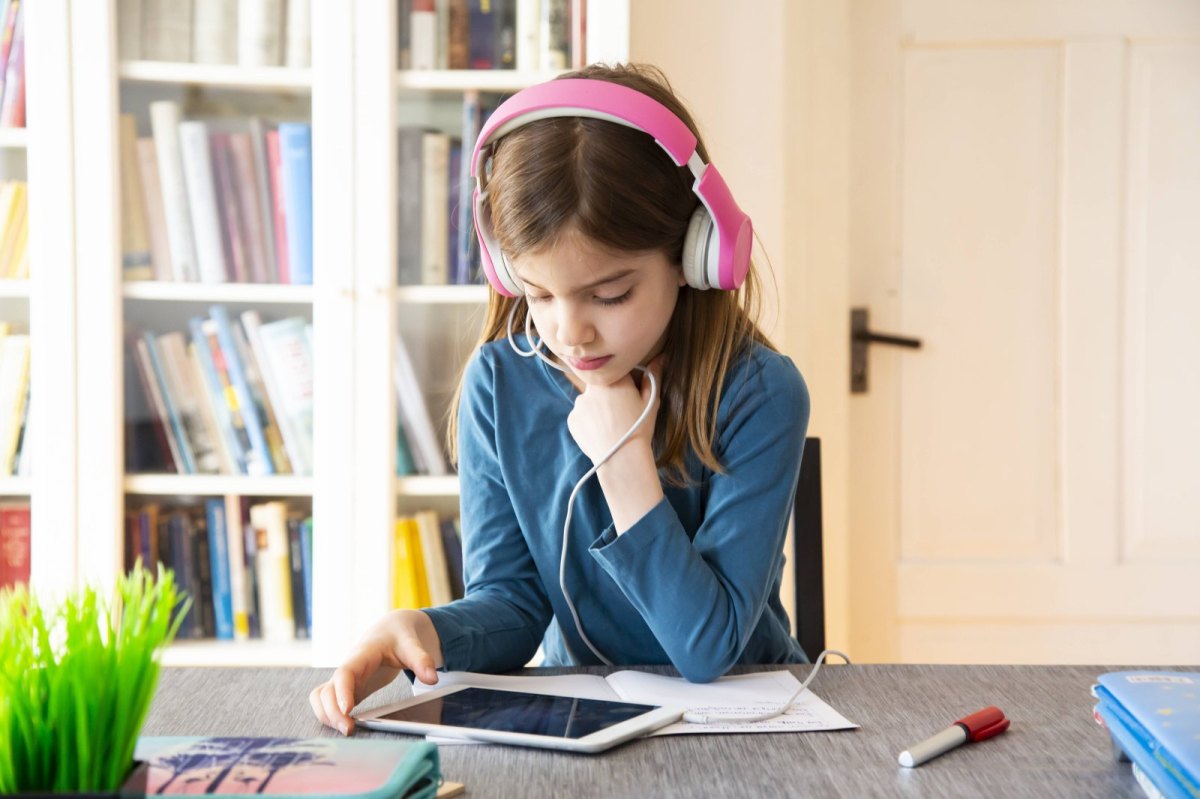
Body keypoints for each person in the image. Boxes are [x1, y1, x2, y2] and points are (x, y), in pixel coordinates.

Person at [310, 63, 810, 736]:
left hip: (750, 722)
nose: (570, 332)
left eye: (610, 294)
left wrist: (623, 461)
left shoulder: (760, 392)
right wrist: (423, 628)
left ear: (695, 255)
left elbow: (708, 648)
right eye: (540, 294)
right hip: (589, 720)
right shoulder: (500, 382)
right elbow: (513, 606)